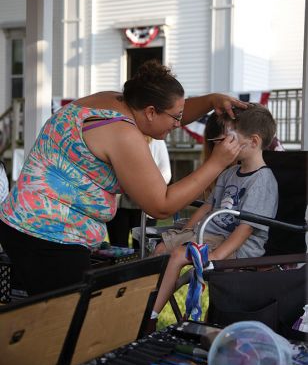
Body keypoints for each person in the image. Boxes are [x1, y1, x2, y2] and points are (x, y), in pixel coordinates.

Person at [0, 60, 245, 296]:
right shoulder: (123, 134)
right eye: (176, 118)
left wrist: (212, 101)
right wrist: (216, 163)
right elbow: (161, 205)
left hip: (26, 220)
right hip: (47, 234)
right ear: (150, 111)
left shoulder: (115, 100)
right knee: (64, 324)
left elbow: (168, 111)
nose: (178, 124)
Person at [151, 103, 279, 323]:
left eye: (233, 141)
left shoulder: (263, 180)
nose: (226, 147)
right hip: (210, 235)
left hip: (238, 248)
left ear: (254, 141)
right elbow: (208, 207)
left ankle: (148, 317)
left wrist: (218, 256)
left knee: (178, 255)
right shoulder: (230, 172)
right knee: (162, 249)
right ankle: (143, 305)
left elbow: (246, 228)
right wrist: (188, 231)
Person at [107, 137, 171, 248]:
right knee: (117, 247)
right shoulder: (119, 136)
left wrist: (145, 187)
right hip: (120, 203)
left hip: (146, 205)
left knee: (142, 248)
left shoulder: (156, 141)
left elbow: (165, 173)